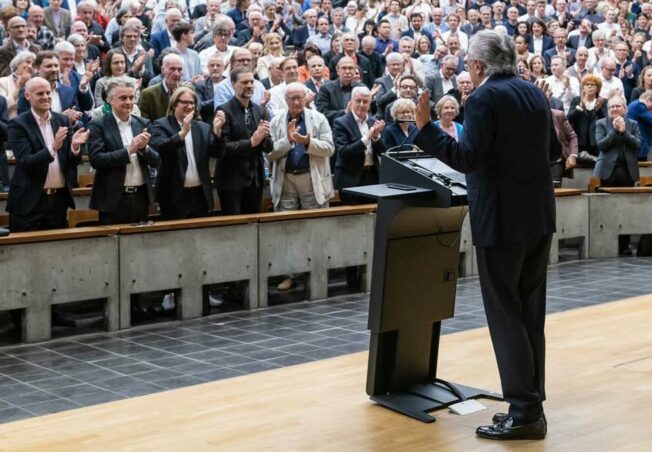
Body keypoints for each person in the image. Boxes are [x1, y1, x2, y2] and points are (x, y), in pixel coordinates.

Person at [414, 30, 558, 440]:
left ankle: (525, 411)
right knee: (530, 311)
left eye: (467, 63)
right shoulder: (534, 93)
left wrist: (426, 128)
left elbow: (466, 158)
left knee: (505, 313)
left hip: (501, 221)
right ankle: (531, 401)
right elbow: (552, 151)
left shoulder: (481, 99)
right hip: (537, 218)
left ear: (477, 66)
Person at [268, 82, 335, 291]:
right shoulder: (277, 120)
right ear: (285, 100)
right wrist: (288, 141)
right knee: (287, 231)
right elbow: (269, 153)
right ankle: (290, 274)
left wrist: (308, 142)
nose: (296, 102)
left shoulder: (319, 118)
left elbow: (330, 148)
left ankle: (315, 273)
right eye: (292, 98)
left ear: (306, 98)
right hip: (286, 179)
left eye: (300, 98)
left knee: (314, 229)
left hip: (311, 179)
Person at [6, 76, 89, 231]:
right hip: (28, 201)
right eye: (40, 94)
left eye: (47, 93)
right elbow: (26, 162)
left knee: (57, 251)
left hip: (58, 201)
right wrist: (53, 147)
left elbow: (72, 161)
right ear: (27, 96)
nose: (45, 97)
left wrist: (75, 148)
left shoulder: (62, 120)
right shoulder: (18, 124)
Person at [88, 77, 160, 225]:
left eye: (131, 97)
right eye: (123, 98)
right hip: (112, 197)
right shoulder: (98, 125)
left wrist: (144, 148)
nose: (128, 102)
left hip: (141, 196)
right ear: (110, 100)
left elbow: (156, 160)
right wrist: (129, 150)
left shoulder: (143, 123)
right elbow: (96, 159)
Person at [149, 86, 226, 220]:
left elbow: (217, 153)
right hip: (174, 196)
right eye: (185, 102)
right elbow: (160, 149)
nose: (189, 106)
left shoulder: (203, 128)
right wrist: (182, 134)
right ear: (174, 105)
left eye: (192, 103)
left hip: (200, 195)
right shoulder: (161, 125)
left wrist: (218, 132)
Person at [216, 67, 273, 215]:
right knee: (234, 229)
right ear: (233, 84)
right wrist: (252, 142)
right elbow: (222, 149)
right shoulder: (224, 110)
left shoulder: (260, 110)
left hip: (256, 180)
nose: (249, 85)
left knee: (254, 226)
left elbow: (269, 147)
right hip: (232, 182)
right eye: (244, 82)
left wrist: (263, 137)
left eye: (251, 82)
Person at [594, 95, 641, 255]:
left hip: (627, 172)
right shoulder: (601, 123)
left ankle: (624, 245)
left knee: (625, 209)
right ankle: (603, 245)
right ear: (607, 111)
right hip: (606, 172)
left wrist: (624, 133)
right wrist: (615, 132)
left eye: (617, 106)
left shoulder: (633, 124)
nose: (614, 109)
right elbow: (601, 145)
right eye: (611, 107)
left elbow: (638, 145)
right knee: (605, 209)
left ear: (625, 109)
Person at [567, 74, 607, 164]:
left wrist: (598, 110)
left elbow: (605, 121)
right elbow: (570, 119)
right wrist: (580, 107)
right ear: (583, 87)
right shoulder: (576, 100)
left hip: (596, 142)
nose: (589, 86)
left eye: (592, 85)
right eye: (586, 84)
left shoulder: (602, 102)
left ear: (598, 88)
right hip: (580, 141)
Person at [139, 53, 184, 121]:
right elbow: (144, 122)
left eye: (179, 70)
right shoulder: (148, 94)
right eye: (172, 69)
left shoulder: (188, 91)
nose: (176, 74)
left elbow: (196, 118)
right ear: (163, 70)